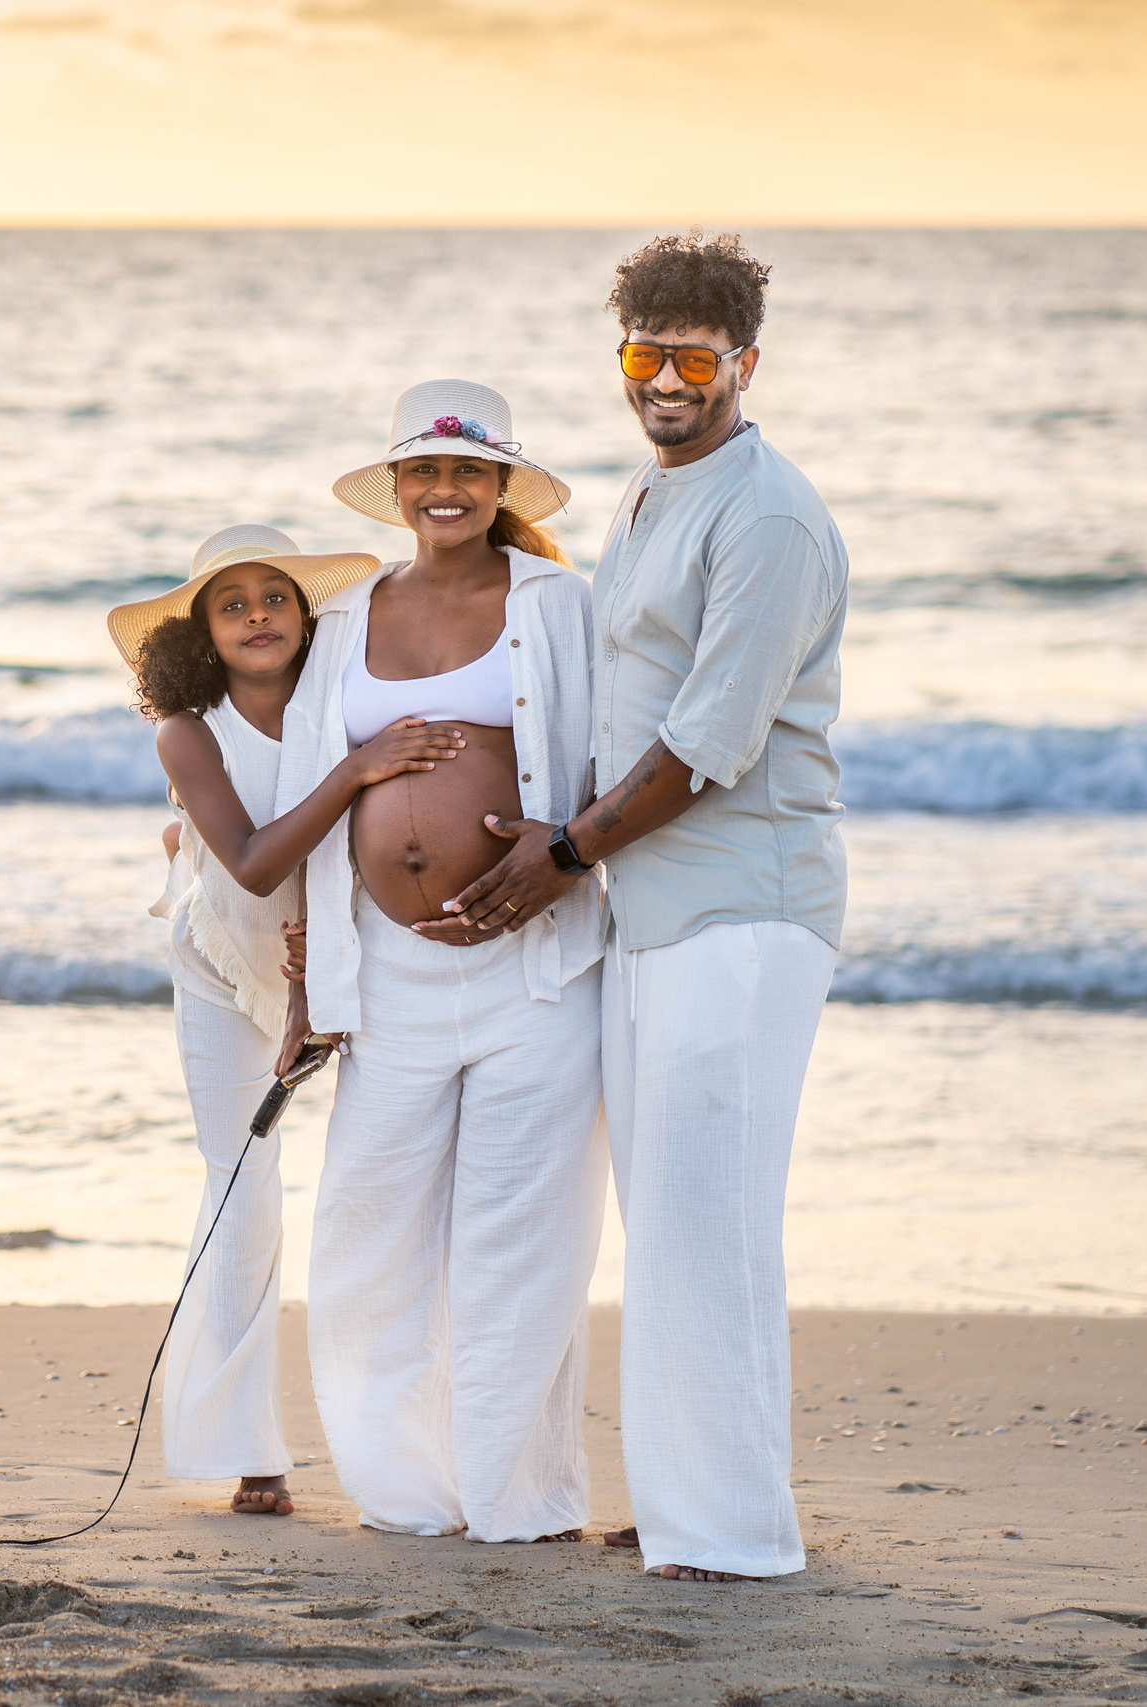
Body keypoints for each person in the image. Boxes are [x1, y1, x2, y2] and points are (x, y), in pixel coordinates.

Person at [435, 233, 850, 1581]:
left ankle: (731, 1532)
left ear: (743, 364)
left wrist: (560, 851)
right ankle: (685, 1498)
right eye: (641, 353)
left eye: (691, 357)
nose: (663, 379)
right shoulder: (645, 496)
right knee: (668, 1216)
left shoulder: (769, 516)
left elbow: (705, 744)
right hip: (649, 912)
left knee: (711, 1219)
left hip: (742, 909)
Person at [271, 380, 609, 1545]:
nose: (446, 490)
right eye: (425, 472)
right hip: (388, 975)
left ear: (501, 487)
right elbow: (306, 788)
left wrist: (560, 856)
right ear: (399, 489)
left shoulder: (559, 604)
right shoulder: (350, 615)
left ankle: (517, 1500)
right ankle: (405, 1490)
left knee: (522, 1238)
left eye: (469, 472)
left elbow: (629, 755)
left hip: (535, 969)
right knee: (368, 1233)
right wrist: (303, 975)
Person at [111, 523, 468, 1517]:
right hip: (223, 962)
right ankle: (246, 1448)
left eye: (275, 598)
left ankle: (413, 1424)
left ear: (306, 617)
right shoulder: (188, 729)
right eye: (232, 605)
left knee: (379, 1183)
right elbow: (258, 861)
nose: (257, 617)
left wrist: (320, 985)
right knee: (241, 1183)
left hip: (341, 956)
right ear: (202, 633)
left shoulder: (343, 705)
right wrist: (356, 772)